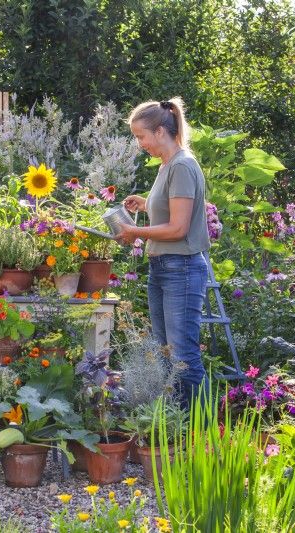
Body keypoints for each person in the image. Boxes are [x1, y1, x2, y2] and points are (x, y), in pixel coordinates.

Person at [116, 97, 211, 408]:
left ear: (159, 132)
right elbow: (170, 210)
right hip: (163, 268)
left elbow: (178, 229)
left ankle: (202, 432)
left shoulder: (182, 165)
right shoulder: (169, 165)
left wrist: (134, 232)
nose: (139, 143)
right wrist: (145, 204)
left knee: (183, 355)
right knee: (166, 354)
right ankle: (177, 428)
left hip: (181, 268)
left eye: (141, 136)